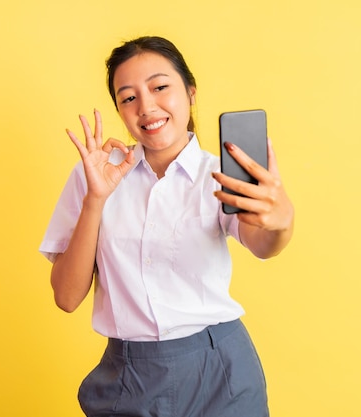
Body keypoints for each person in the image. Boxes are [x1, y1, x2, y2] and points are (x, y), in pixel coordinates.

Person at [39, 36, 294, 417]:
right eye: (128, 98)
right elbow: (66, 297)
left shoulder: (218, 174)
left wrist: (282, 222)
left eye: (160, 87)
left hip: (219, 368)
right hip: (129, 375)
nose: (146, 107)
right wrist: (96, 199)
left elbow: (263, 243)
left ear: (190, 92)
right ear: (120, 111)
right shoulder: (95, 174)